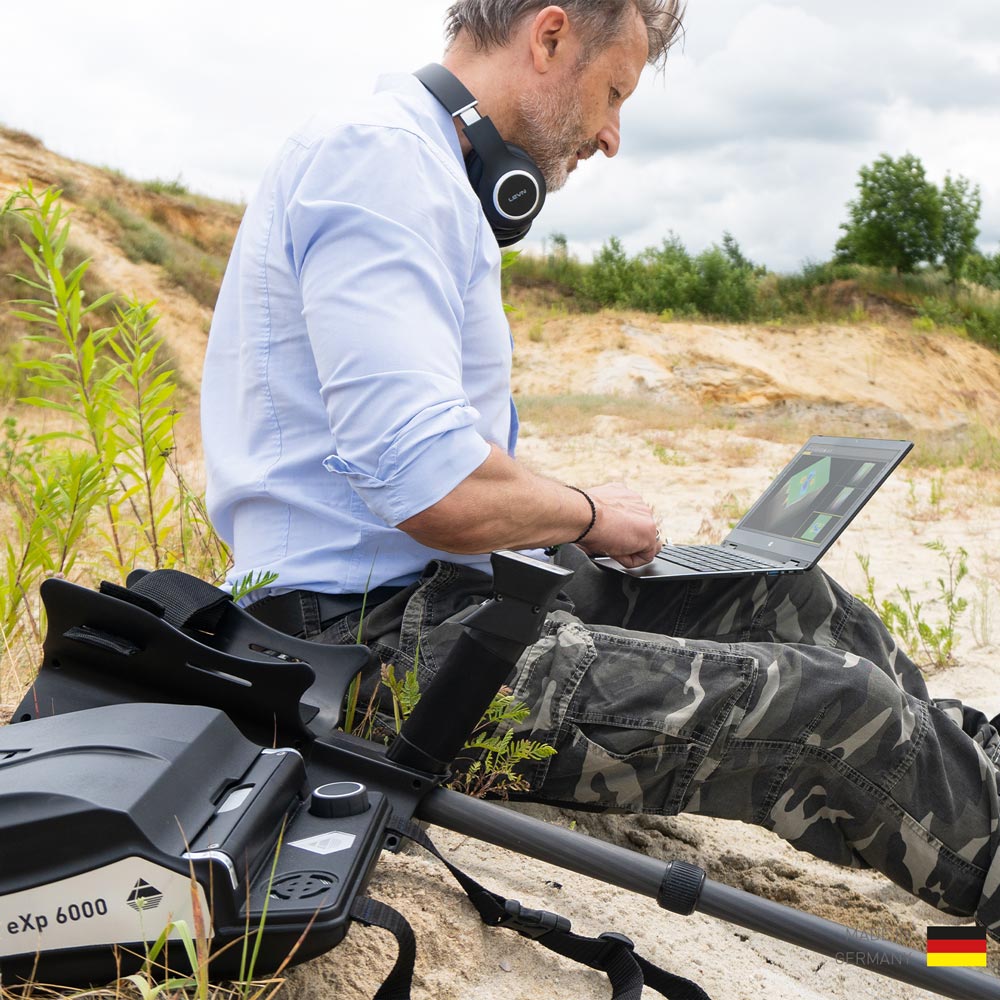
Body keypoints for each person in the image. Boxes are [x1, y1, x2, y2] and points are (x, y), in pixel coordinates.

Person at [200, 0, 1000, 938]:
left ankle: (977, 766)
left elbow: (420, 458)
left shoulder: (422, 167)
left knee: (793, 598)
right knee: (838, 708)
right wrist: (583, 514)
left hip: (447, 599)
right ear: (549, 37)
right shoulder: (378, 161)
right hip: (364, 654)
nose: (612, 134)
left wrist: (562, 517)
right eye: (614, 92)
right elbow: (429, 483)